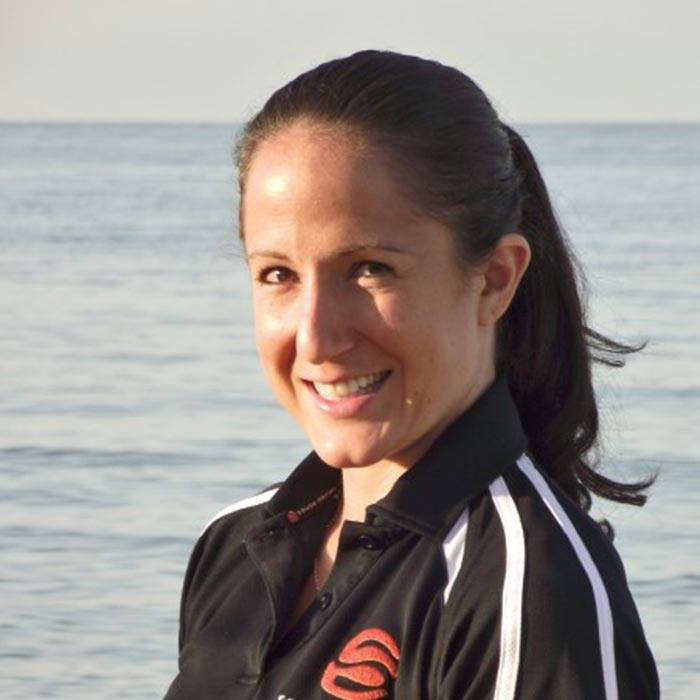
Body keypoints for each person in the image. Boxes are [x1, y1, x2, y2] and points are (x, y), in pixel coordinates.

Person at [164, 50, 659, 699]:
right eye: (278, 274)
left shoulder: (527, 587)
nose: (315, 337)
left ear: (495, 280)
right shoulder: (235, 543)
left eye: (370, 269)